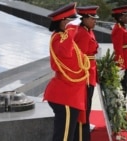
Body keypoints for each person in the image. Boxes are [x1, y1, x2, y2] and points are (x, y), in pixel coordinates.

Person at [43, 2, 90, 141]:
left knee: (67, 135)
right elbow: (65, 52)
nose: (76, 24)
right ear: (63, 22)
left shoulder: (63, 37)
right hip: (65, 95)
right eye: (72, 21)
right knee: (63, 137)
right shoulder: (58, 38)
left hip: (71, 93)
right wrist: (70, 31)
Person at [73, 6, 99, 141]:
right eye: (92, 18)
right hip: (86, 76)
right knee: (84, 109)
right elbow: (80, 58)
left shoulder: (88, 31)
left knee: (87, 108)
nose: (95, 21)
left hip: (91, 73)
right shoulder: (82, 33)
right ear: (85, 18)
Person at [111, 5, 127, 109]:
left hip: (126, 59)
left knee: (124, 86)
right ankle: (121, 110)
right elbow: (118, 48)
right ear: (120, 17)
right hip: (122, 61)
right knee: (122, 87)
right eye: (125, 16)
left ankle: (122, 109)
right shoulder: (118, 29)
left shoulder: (122, 27)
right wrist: (121, 65)